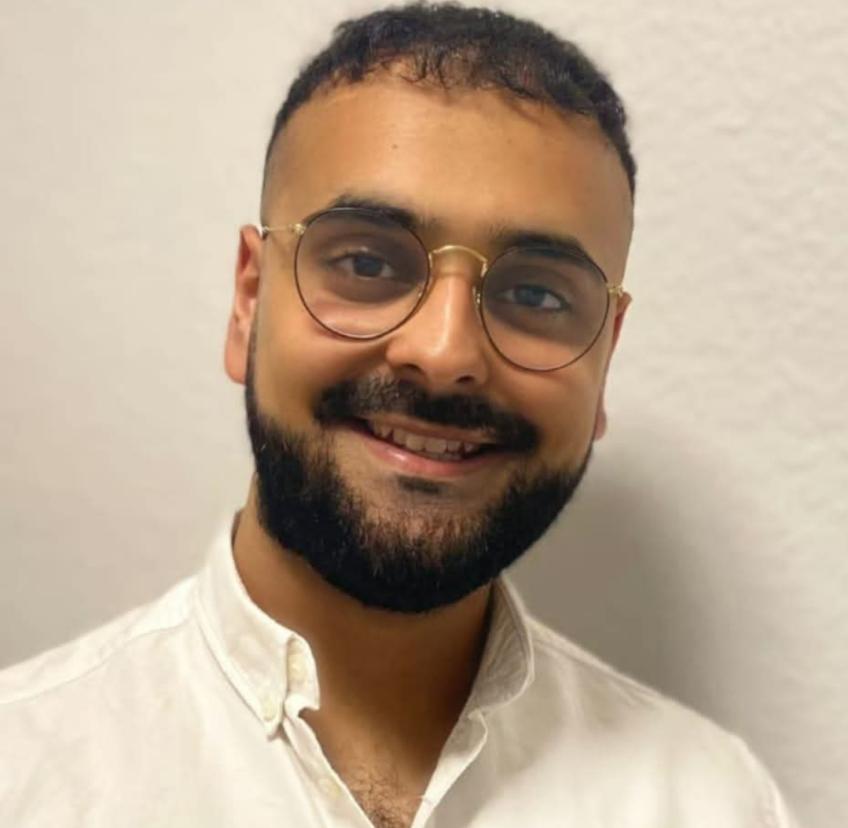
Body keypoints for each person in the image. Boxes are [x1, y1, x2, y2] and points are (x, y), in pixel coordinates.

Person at [0, 4, 798, 827]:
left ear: (604, 359)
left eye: (535, 294)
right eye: (367, 262)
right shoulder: (24, 774)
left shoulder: (717, 804)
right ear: (249, 302)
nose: (444, 352)